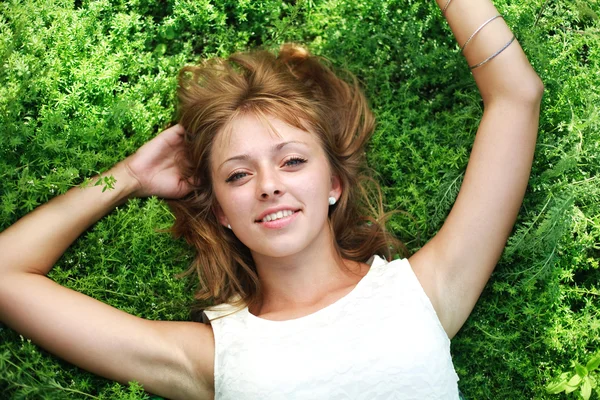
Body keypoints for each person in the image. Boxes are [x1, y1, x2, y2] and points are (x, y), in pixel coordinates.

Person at [0, 0, 543, 399]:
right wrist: (127, 177)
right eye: (237, 176)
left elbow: (518, 98)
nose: (268, 185)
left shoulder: (427, 291)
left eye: (292, 161)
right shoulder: (212, 357)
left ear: (334, 184)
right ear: (220, 213)